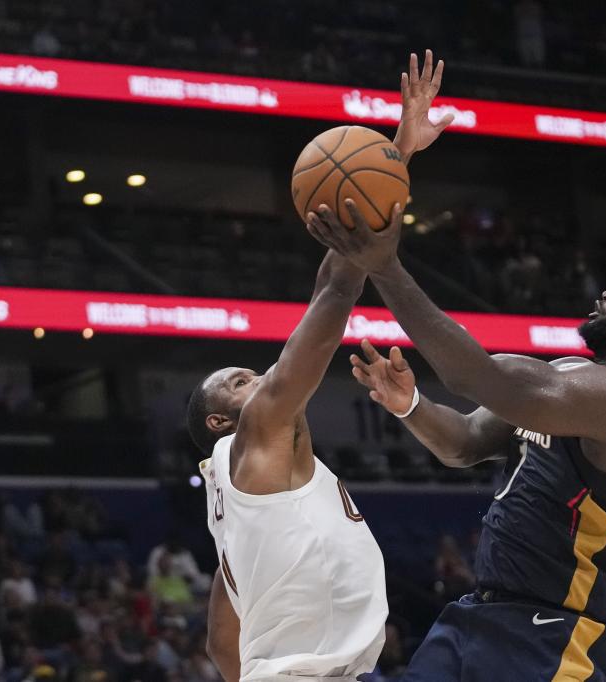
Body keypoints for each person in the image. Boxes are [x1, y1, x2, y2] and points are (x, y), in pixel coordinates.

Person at [307, 199, 606, 680]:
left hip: (557, 636)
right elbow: (465, 442)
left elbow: (475, 376)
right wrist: (410, 404)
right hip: (479, 616)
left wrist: (387, 268)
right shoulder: (572, 382)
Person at [187, 51, 452, 682]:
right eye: (241, 380)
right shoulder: (256, 436)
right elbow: (332, 299)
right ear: (225, 418)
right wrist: (378, 192)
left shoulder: (231, 511)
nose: (265, 376)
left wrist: (399, 152)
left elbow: (222, 647)